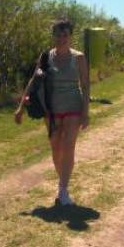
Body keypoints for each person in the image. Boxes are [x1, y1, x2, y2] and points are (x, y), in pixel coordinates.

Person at [14, 19, 90, 206]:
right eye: (58, 34)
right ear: (53, 36)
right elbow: (33, 81)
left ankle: (62, 191)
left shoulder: (79, 57)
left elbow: (86, 85)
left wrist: (85, 112)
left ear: (70, 36)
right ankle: (63, 182)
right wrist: (21, 107)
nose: (62, 38)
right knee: (56, 148)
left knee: (68, 146)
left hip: (73, 106)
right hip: (51, 109)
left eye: (65, 35)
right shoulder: (46, 57)